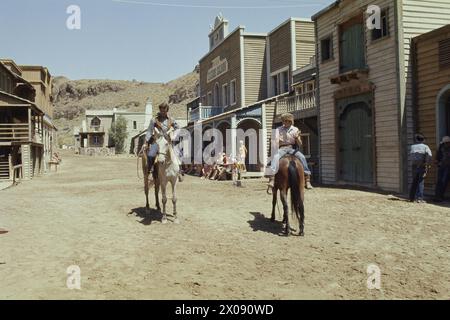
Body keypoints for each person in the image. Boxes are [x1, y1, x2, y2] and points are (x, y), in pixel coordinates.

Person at [266, 113, 313, 189]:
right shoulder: (278, 129)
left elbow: (300, 144)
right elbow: (275, 143)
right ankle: (272, 178)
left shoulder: (295, 129)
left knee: (302, 157)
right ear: (282, 121)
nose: (286, 123)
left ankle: (307, 179)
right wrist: (276, 141)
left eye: (288, 121)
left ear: (291, 121)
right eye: (285, 121)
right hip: (282, 148)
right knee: (275, 157)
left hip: (292, 148)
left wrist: (297, 137)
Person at [143, 102, 182, 181]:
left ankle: (179, 171)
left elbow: (178, 128)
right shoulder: (154, 120)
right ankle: (150, 172)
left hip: (168, 142)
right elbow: (149, 131)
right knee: (151, 155)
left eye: (164, 111)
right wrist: (146, 142)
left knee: (179, 153)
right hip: (157, 142)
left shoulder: (171, 120)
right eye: (161, 110)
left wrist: (174, 136)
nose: (163, 112)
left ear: (167, 110)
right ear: (160, 110)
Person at [409, 133, 432, 203]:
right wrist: (427, 165)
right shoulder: (425, 147)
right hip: (422, 165)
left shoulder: (412, 146)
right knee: (420, 182)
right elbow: (429, 155)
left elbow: (411, 156)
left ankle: (412, 198)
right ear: (423, 140)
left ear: (416, 139)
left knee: (414, 181)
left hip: (414, 166)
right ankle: (419, 198)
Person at [434, 136, 450, 202]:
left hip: (447, 166)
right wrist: (437, 161)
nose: (446, 144)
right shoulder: (441, 147)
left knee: (444, 181)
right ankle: (438, 196)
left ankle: (440, 196)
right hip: (442, 166)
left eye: (447, 143)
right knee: (440, 181)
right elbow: (438, 155)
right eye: (445, 143)